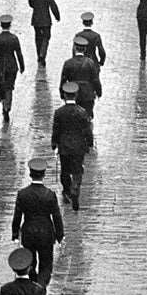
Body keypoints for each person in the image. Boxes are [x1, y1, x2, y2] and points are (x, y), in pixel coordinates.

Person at [11, 157, 65, 287]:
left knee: (30, 263)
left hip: (28, 233)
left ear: (30, 174)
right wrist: (60, 235)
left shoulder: (22, 194)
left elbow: (17, 216)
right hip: (46, 233)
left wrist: (15, 234)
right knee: (46, 265)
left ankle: (34, 284)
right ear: (44, 174)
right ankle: (41, 288)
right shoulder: (50, 194)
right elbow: (56, 216)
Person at [51, 80, 94, 210]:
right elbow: (87, 130)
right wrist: (90, 142)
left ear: (64, 95)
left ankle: (67, 191)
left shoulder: (59, 112)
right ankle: (75, 188)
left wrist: (54, 142)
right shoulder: (82, 112)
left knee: (64, 170)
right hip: (79, 147)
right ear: (76, 95)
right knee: (77, 169)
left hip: (64, 146)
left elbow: (56, 129)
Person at [0, 14, 26, 120]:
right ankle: (7, 107)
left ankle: (3, 104)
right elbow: (19, 53)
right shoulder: (14, 38)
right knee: (10, 87)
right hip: (12, 66)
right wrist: (22, 66)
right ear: (10, 25)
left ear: (1, 25)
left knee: (1, 86)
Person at [27, 0, 60, 66]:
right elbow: (53, 6)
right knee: (46, 38)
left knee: (38, 39)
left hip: (36, 21)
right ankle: (42, 55)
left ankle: (39, 57)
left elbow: (31, 5)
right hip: (46, 20)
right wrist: (57, 17)